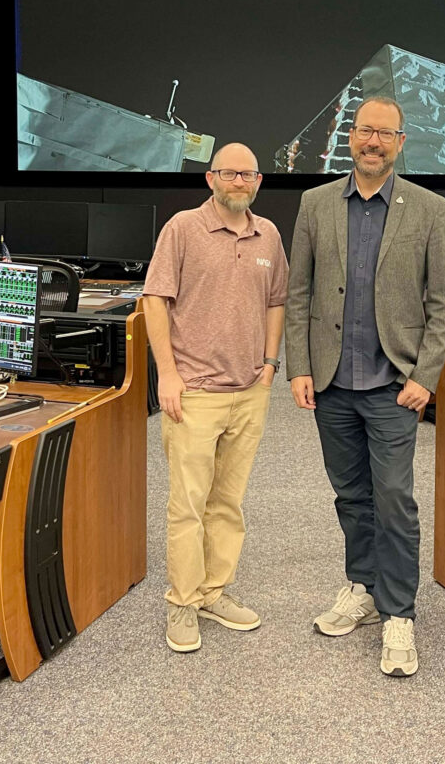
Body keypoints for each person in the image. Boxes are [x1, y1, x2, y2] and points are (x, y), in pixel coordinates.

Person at [285, 96, 445, 677]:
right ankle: (360, 585)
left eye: (385, 133)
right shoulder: (314, 204)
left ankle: (399, 611)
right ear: (350, 138)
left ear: (400, 143)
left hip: (393, 386)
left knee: (395, 500)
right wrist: (299, 366)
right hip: (331, 383)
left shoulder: (430, 209)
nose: (373, 142)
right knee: (351, 495)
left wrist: (424, 379)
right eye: (364, 131)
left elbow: (441, 304)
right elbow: (300, 294)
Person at [143, 144, 288, 653]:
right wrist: (167, 374)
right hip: (194, 394)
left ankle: (213, 592)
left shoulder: (268, 234)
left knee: (227, 502)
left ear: (258, 181)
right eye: (229, 172)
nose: (238, 181)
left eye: (247, 174)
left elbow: (276, 303)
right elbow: (154, 301)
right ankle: (182, 604)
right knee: (187, 504)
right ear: (210, 178)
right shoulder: (182, 229)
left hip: (250, 392)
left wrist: (270, 367)